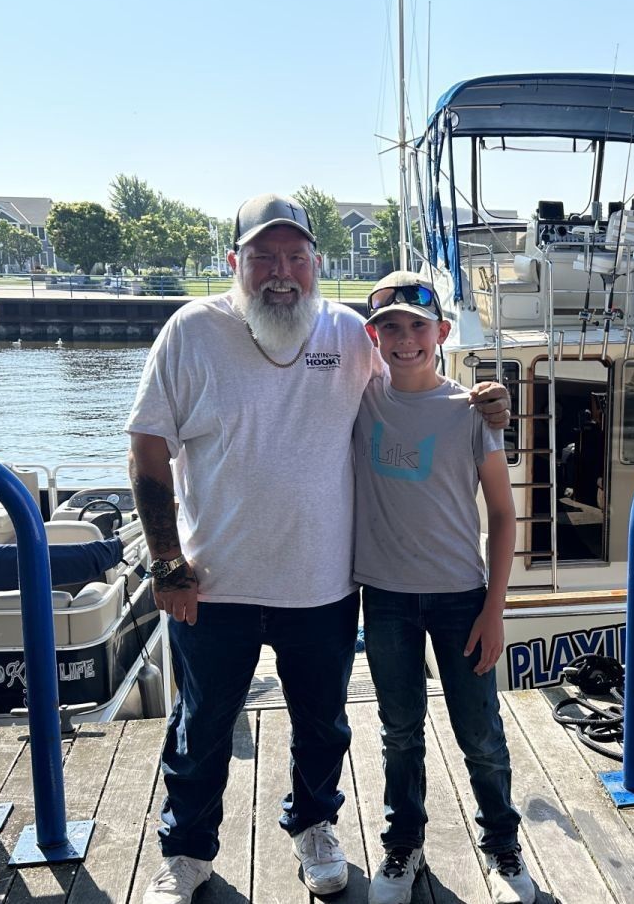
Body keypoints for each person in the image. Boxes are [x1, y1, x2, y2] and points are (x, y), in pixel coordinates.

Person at [126, 196, 508, 904]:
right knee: (201, 726)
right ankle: (185, 851)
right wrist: (165, 561)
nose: (281, 273)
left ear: (317, 266)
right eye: (264, 257)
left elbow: (416, 380)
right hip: (215, 583)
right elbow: (148, 452)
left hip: (324, 583)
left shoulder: (351, 334)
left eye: (295, 257)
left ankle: (315, 826)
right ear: (235, 262)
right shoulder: (189, 331)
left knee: (322, 724)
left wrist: (486, 399)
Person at [354, 272, 536, 904]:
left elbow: (505, 514)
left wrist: (495, 609)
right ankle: (403, 843)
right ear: (373, 336)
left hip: (461, 595)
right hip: (385, 597)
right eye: (391, 328)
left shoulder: (472, 413)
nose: (405, 340)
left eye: (418, 327)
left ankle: (502, 846)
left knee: (480, 733)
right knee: (398, 729)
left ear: (442, 334)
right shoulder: (357, 398)